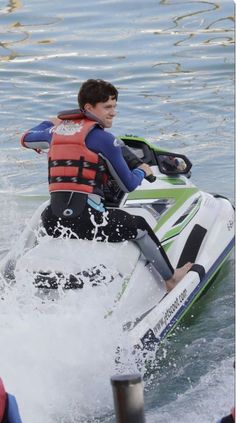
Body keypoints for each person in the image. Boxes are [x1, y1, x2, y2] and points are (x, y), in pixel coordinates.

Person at [21, 78, 192, 291]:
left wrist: (51, 122)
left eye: (114, 106)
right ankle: (172, 278)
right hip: (89, 222)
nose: (113, 112)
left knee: (47, 210)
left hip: (54, 222)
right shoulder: (105, 140)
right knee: (140, 226)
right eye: (107, 107)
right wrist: (142, 170)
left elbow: (26, 137)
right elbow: (128, 184)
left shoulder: (53, 134)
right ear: (88, 108)